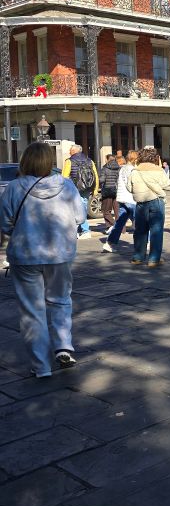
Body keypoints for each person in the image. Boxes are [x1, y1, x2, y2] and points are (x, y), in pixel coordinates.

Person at [0, 142, 83, 378]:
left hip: (25, 255)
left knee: (32, 310)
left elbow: (4, 223)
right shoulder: (66, 185)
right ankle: (63, 348)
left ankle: (41, 366)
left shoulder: (15, 187)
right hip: (60, 253)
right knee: (60, 300)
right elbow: (78, 217)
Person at [127, 148, 170, 267]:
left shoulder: (135, 171)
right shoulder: (158, 170)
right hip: (156, 201)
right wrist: (160, 167)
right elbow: (167, 183)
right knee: (156, 230)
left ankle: (138, 257)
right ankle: (154, 259)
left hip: (140, 203)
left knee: (140, 230)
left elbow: (129, 188)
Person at [102, 150, 137, 253]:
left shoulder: (122, 169)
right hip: (131, 199)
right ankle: (146, 243)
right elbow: (132, 185)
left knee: (119, 223)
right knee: (141, 222)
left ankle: (109, 243)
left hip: (122, 198)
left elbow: (118, 183)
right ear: (135, 159)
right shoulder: (133, 170)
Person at [62, 144, 99, 240]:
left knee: (76, 209)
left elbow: (64, 177)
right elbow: (95, 176)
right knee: (82, 207)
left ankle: (85, 230)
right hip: (87, 188)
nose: (69, 153)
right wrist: (95, 190)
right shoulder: (90, 161)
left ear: (74, 151)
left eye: (70, 151)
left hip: (74, 189)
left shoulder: (69, 161)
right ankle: (80, 230)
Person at [100, 154, 121, 229]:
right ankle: (120, 228)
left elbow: (102, 180)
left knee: (105, 210)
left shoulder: (105, 168)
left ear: (107, 159)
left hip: (107, 191)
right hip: (117, 191)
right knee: (117, 211)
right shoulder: (118, 168)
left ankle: (114, 225)